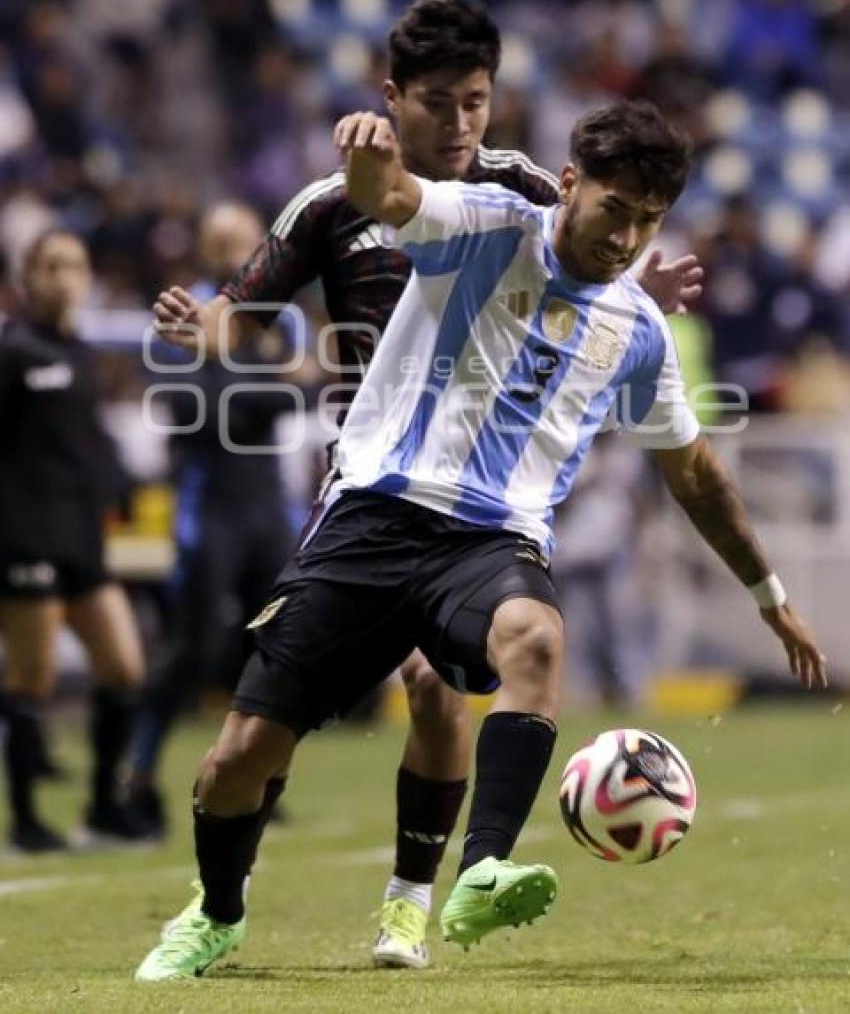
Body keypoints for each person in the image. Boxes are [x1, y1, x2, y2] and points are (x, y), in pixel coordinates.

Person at [135, 99, 827, 981]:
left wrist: (770, 597)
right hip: (374, 517)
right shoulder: (489, 224)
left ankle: (480, 868)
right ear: (569, 183)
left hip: (491, 540)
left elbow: (695, 473)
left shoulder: (637, 331)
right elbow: (391, 199)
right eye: (615, 209)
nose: (626, 239)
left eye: (647, 222)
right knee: (237, 762)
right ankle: (220, 911)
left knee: (535, 633)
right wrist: (369, 152)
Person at [126, 202, 301, 836]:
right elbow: (195, 400)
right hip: (209, 509)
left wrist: (261, 391)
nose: (232, 247)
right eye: (220, 236)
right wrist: (271, 391)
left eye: (242, 237)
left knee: (282, 648)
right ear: (203, 244)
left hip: (266, 507)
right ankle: (138, 776)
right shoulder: (186, 311)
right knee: (192, 648)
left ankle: (257, 777)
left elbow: (305, 390)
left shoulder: (274, 316)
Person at [0, 230, 147, 851]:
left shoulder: (84, 355)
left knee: (123, 668)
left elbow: (87, 443)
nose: (66, 278)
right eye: (53, 266)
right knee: (31, 677)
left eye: (76, 266)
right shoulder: (14, 353)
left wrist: (118, 483)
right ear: (29, 276)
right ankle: (28, 820)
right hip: (25, 537)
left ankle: (102, 806)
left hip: (83, 540)